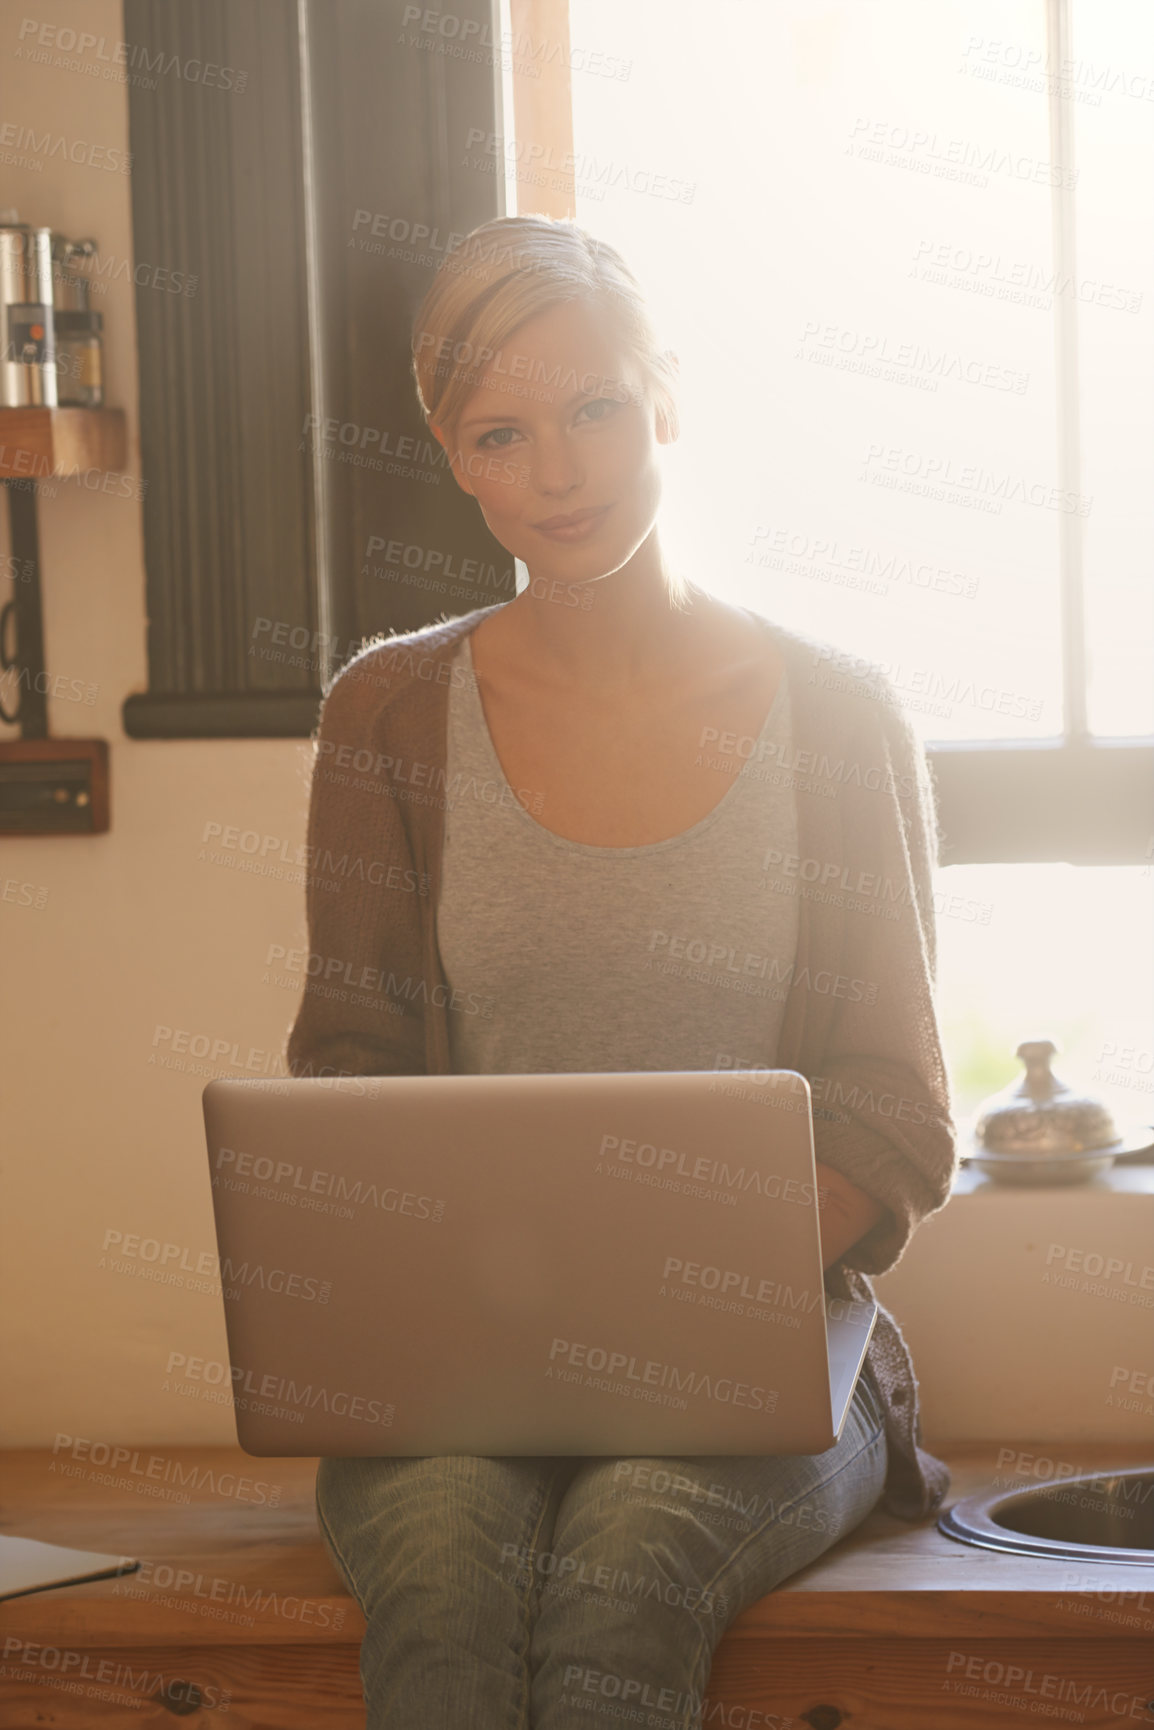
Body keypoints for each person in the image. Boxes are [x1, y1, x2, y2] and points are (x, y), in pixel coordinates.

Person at [286, 214, 958, 1730]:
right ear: (454, 456)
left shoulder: (836, 716)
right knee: (450, 1575)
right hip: (458, 1361)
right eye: (500, 432)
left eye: (593, 408)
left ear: (665, 398)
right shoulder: (385, 715)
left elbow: (895, 1115)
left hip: (775, 1347)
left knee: (620, 1573)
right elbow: (347, 1076)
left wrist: (675, 1293)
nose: (559, 472)